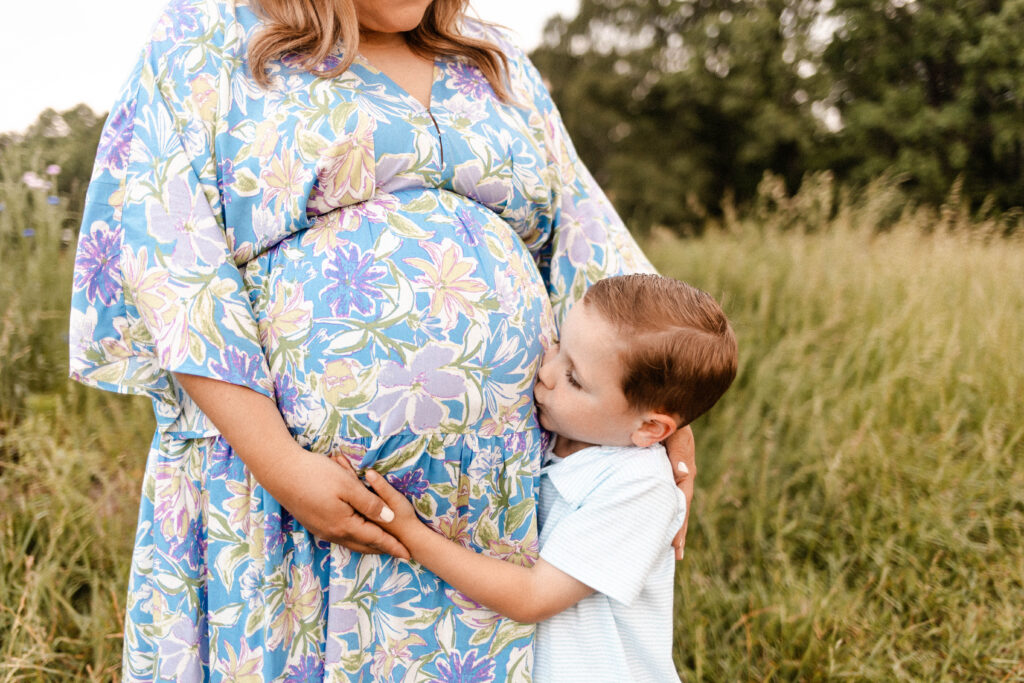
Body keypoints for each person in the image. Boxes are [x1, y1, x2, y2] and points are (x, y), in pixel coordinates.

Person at [69, 0, 697, 679]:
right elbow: (172, 261)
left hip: (485, 506)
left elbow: (586, 232)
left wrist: (661, 401)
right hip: (284, 498)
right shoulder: (204, 33)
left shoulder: (493, 58)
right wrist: (282, 465)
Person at [361, 274, 738, 682]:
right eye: (558, 344)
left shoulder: (640, 488)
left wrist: (410, 533)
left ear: (650, 429)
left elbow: (532, 597)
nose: (547, 372)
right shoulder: (563, 434)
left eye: (575, 378)